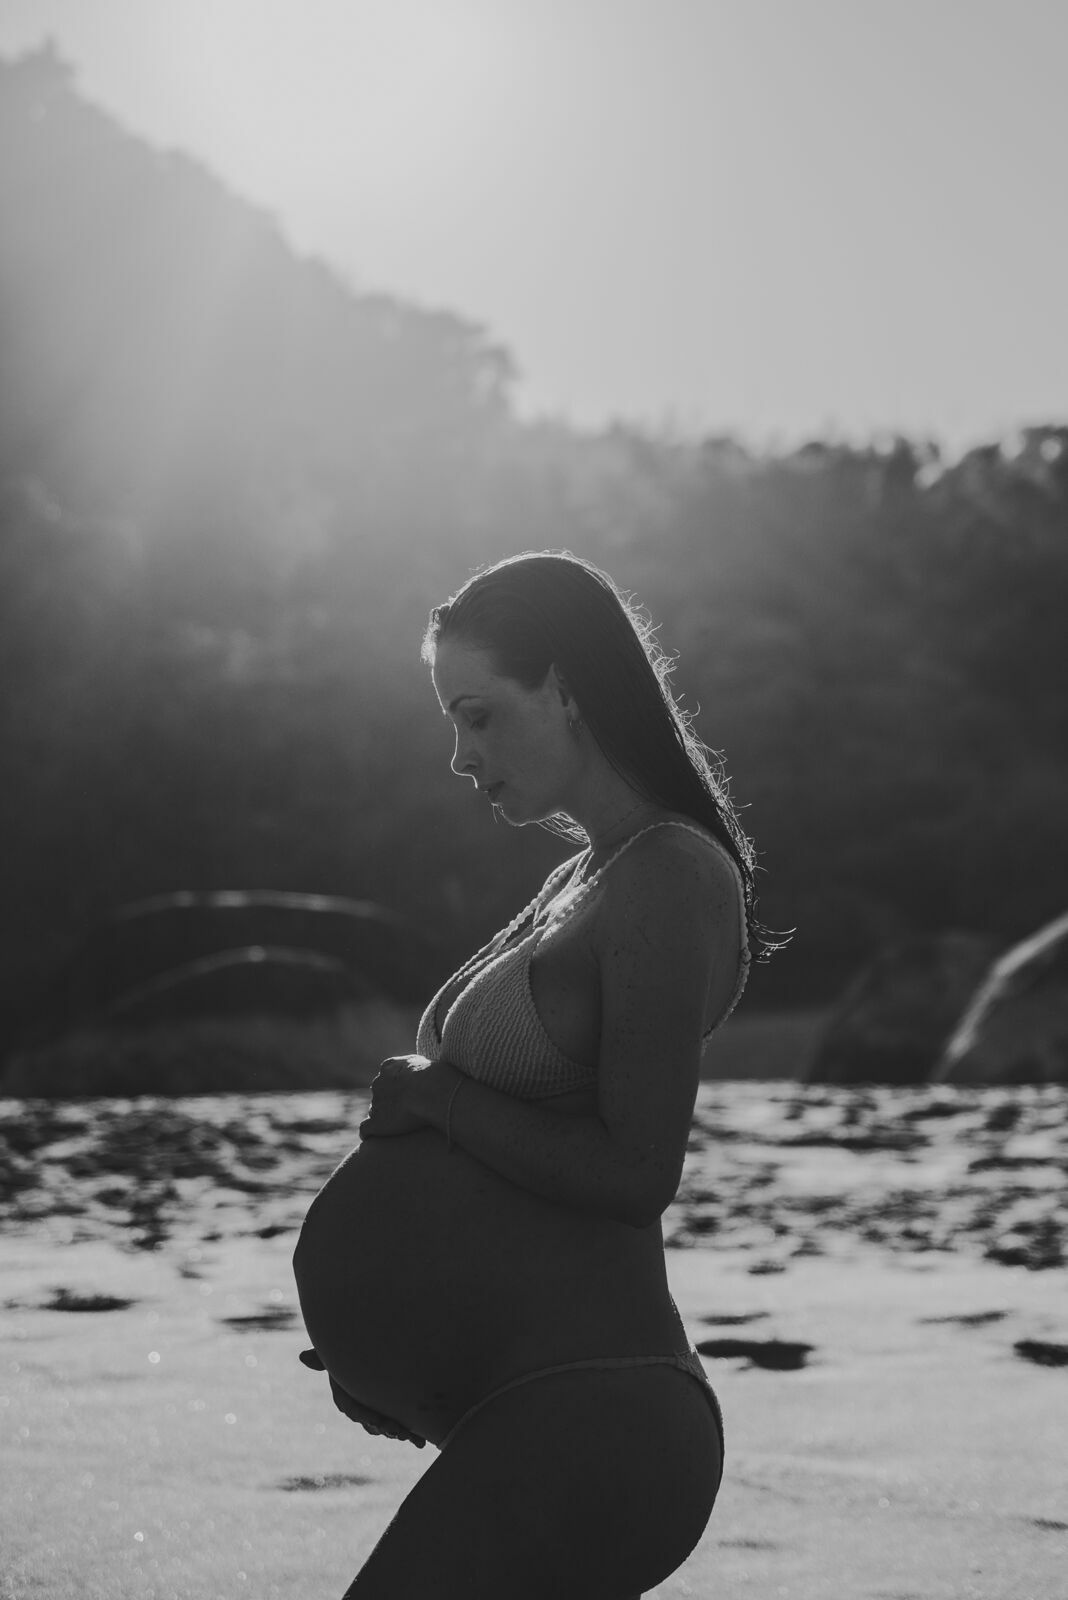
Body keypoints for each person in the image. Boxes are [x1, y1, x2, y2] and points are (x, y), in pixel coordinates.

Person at [294, 550, 775, 1598]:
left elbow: (636, 1167)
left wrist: (436, 1097)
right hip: (514, 1397)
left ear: (565, 689)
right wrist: (408, 1352)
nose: (461, 757)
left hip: (600, 1404)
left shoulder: (672, 876)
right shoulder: (586, 875)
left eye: (478, 715)